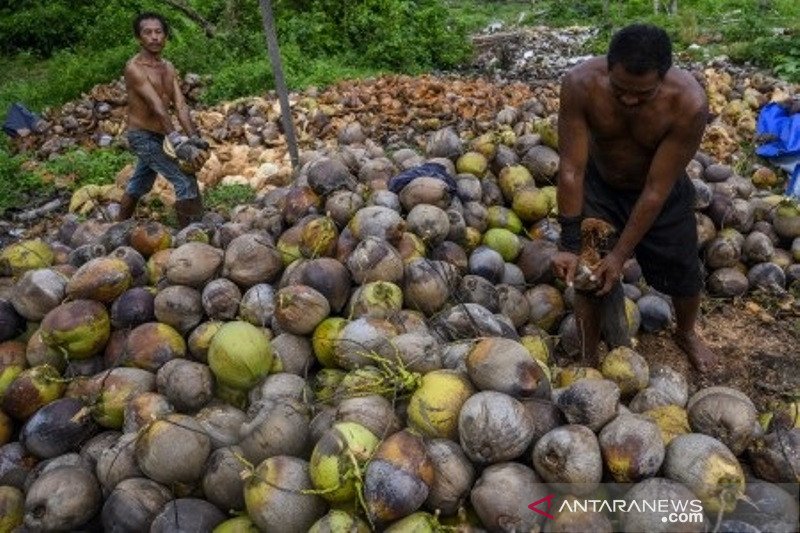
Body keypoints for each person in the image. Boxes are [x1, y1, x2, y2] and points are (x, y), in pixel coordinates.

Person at [552, 23, 718, 372]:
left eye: (643, 95)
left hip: (661, 192)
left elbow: (656, 189)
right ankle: (589, 355)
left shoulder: (689, 103)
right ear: (608, 66)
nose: (629, 100)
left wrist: (622, 254)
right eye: (620, 89)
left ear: (663, 76)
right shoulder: (580, 84)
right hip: (601, 185)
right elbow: (570, 169)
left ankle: (686, 332)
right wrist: (568, 241)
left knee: (684, 272)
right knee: (588, 271)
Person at [118, 12, 208, 227]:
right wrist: (178, 143)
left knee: (139, 184)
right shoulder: (135, 68)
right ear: (139, 38)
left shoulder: (167, 67)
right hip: (141, 136)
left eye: (158, 32)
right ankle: (191, 235)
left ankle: (117, 228)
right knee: (184, 179)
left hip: (160, 135)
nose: (154, 37)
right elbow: (158, 107)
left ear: (165, 36)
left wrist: (194, 138)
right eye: (147, 33)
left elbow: (180, 105)